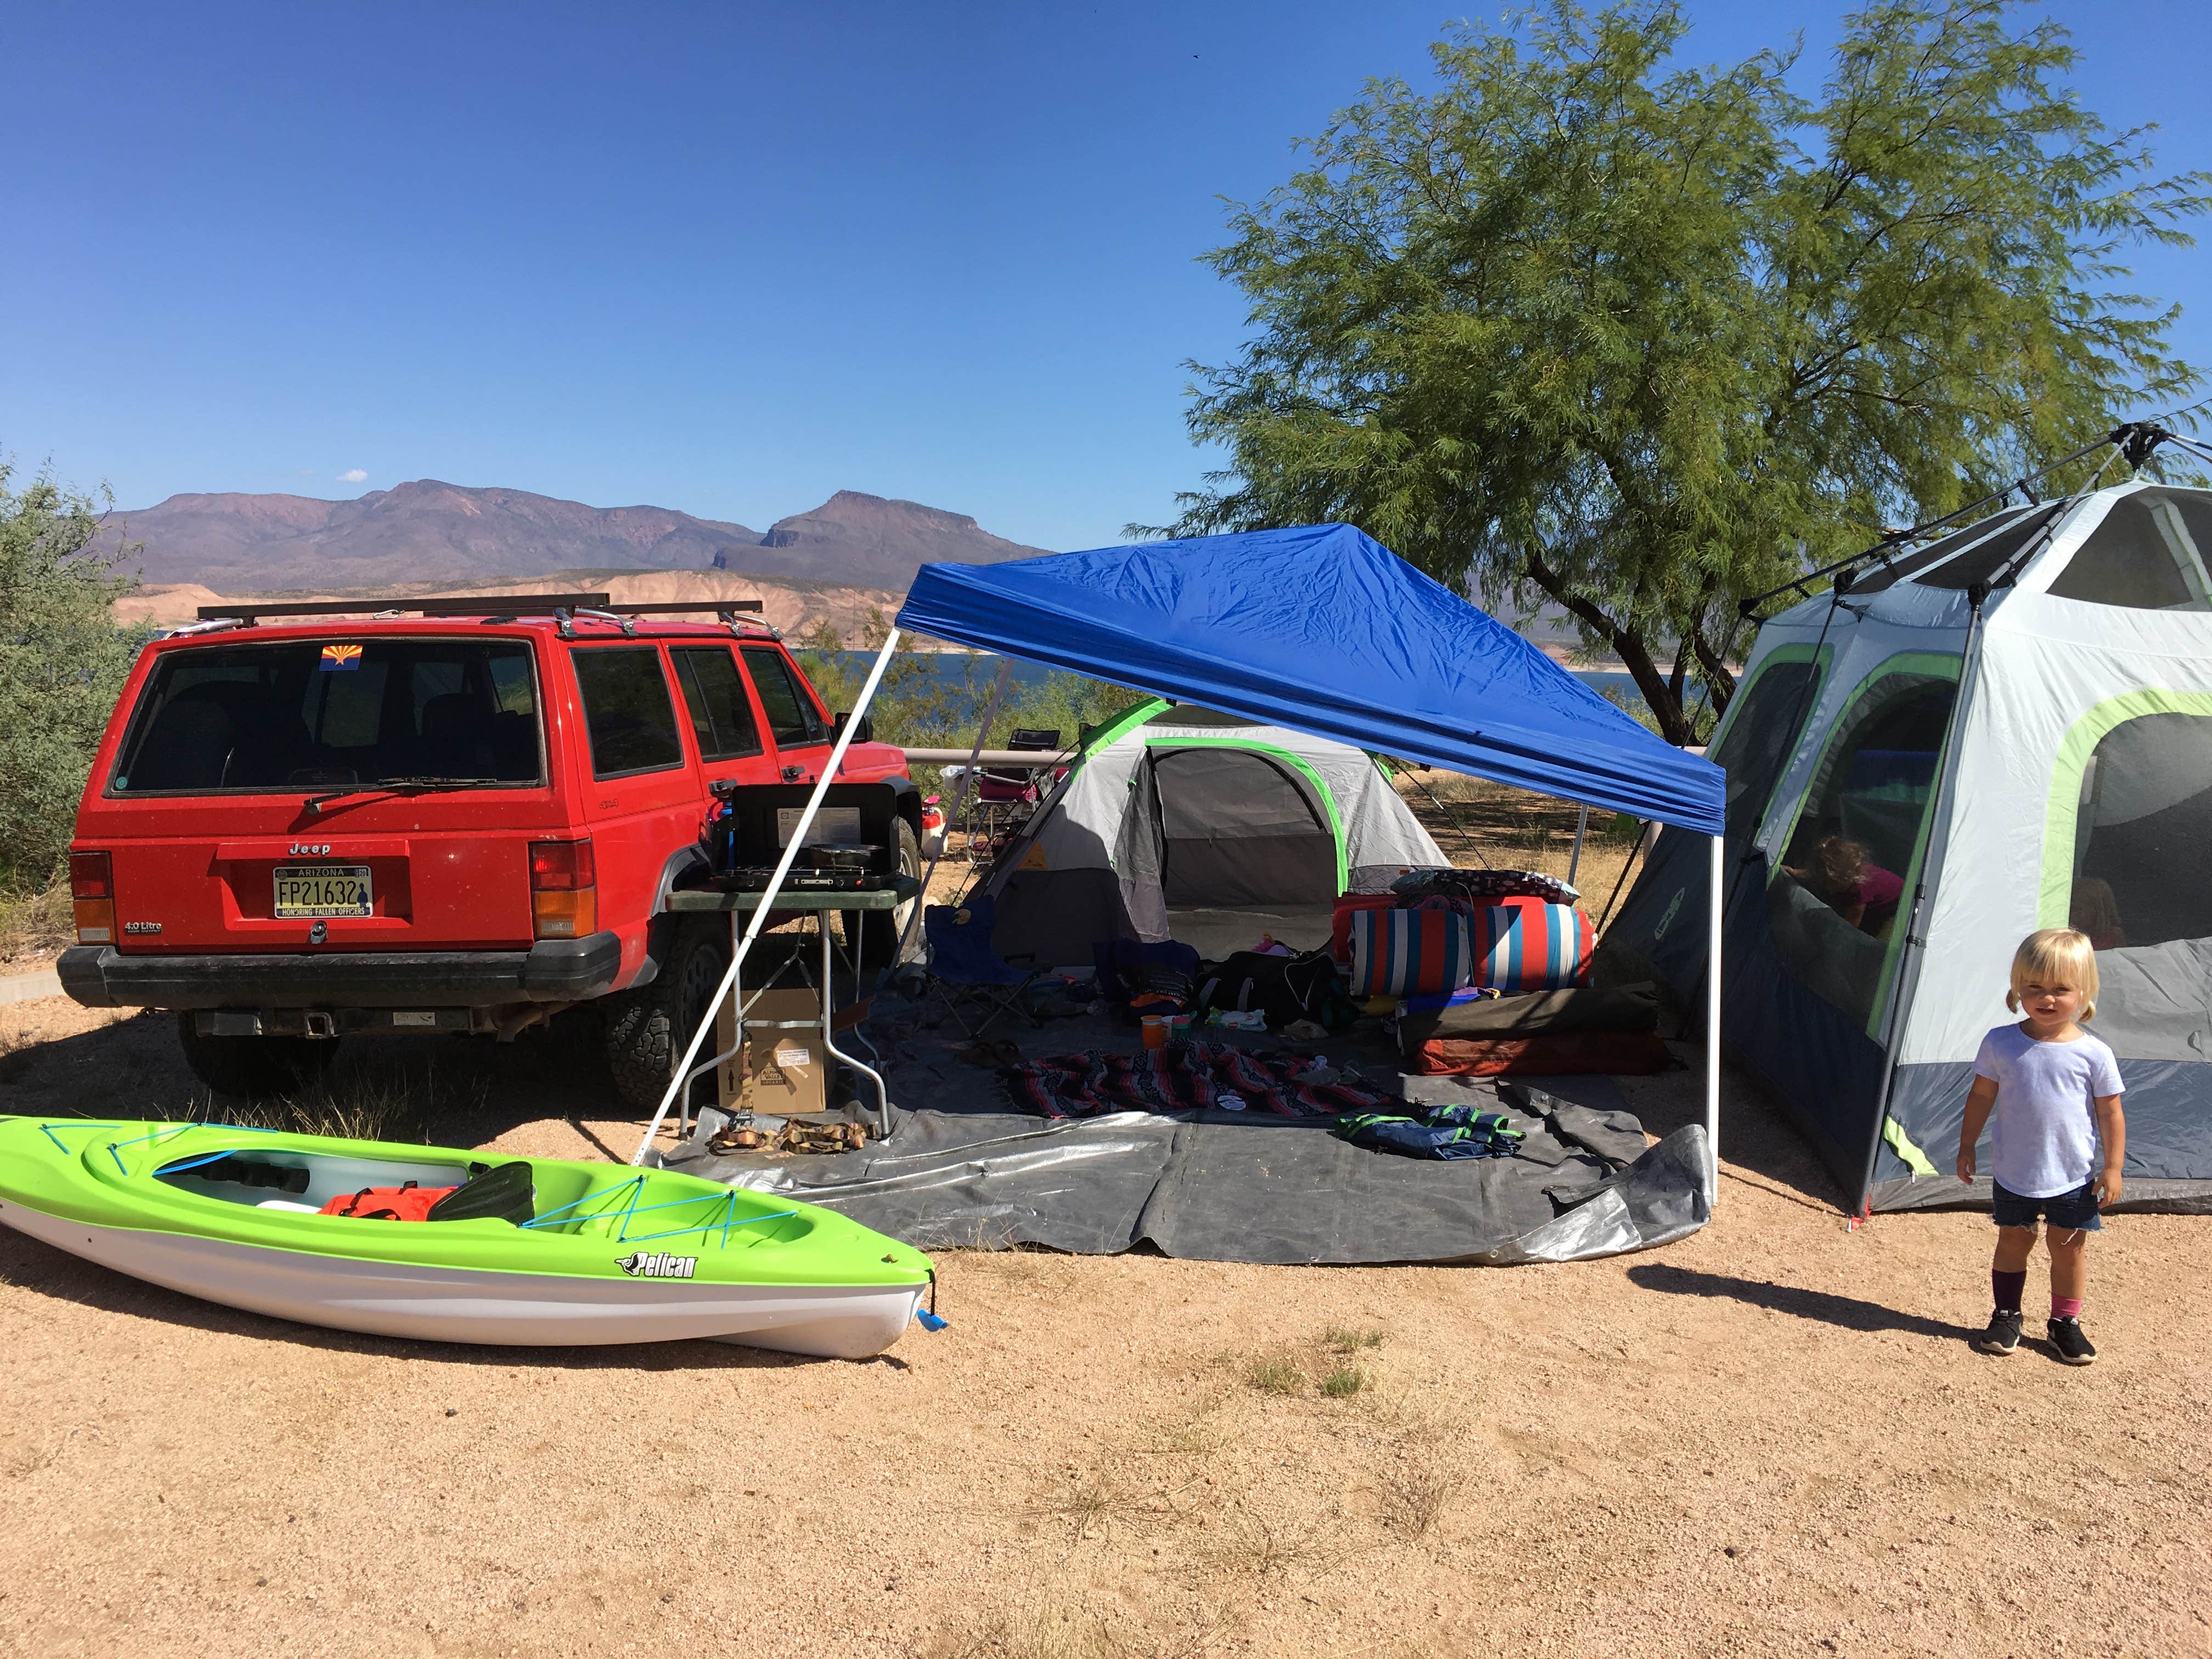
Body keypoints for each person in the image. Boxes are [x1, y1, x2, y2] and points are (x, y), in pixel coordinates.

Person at [1956, 928, 2126, 1364]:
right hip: (2015, 1171)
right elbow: (1981, 1096)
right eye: (2034, 987)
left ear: (2084, 991)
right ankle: (2006, 1315)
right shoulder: (2000, 1042)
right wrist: (1967, 1144)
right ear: (2017, 987)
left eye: (2061, 989)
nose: (2046, 998)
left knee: (2068, 1249)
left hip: (2073, 1175)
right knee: (2013, 1243)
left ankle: (2064, 1322)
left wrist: (2113, 1167)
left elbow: (2110, 1112)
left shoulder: (2094, 1054)